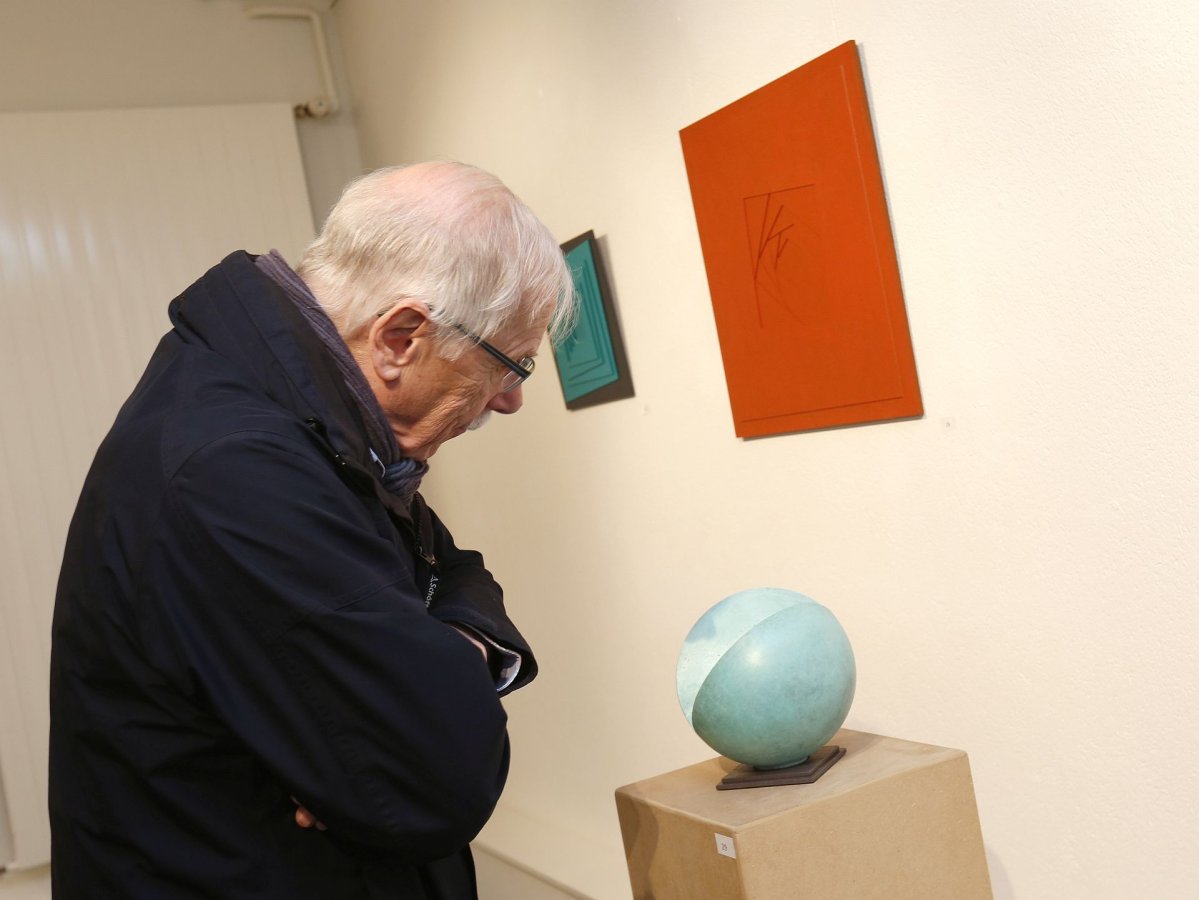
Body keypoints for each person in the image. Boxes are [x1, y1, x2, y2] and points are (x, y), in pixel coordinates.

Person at [48, 162, 576, 898]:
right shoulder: (238, 471)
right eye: (509, 363)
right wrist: (432, 675)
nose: (510, 399)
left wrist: (458, 647)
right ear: (400, 336)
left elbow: (456, 570)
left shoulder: (314, 427)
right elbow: (434, 776)